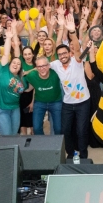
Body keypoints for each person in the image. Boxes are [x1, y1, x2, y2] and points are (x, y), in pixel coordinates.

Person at [50, 14, 91, 159]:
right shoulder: (55, 65)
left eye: (64, 53)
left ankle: (84, 155)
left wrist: (72, 32)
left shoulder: (77, 60)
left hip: (83, 103)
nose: (62, 56)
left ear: (69, 53)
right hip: (67, 104)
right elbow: (41, 66)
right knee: (65, 130)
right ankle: (70, 153)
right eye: (59, 54)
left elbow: (79, 49)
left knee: (81, 131)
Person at [0, 22, 26, 135]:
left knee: (13, 135)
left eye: (18, 64)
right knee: (8, 137)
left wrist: (15, 30)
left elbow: (17, 52)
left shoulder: (19, 77)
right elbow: (6, 54)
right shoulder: (3, 70)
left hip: (15, 109)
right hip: (0, 109)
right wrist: (9, 38)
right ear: (9, 64)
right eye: (14, 62)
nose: (16, 64)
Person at [24, 55, 63, 135]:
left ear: (48, 65)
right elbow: (25, 86)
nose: (42, 68)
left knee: (58, 128)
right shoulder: (32, 75)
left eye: (44, 66)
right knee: (36, 128)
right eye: (39, 67)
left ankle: (57, 145)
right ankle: (42, 144)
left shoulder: (56, 73)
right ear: (36, 68)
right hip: (40, 103)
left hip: (56, 102)